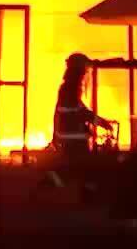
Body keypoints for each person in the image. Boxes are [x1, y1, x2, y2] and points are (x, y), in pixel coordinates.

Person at [47, 53, 111, 201]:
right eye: (84, 70)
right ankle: (47, 185)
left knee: (79, 168)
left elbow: (78, 108)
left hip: (72, 136)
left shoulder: (69, 87)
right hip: (74, 137)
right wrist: (99, 121)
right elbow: (77, 111)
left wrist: (97, 120)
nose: (85, 73)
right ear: (78, 70)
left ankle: (51, 185)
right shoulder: (70, 88)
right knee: (83, 168)